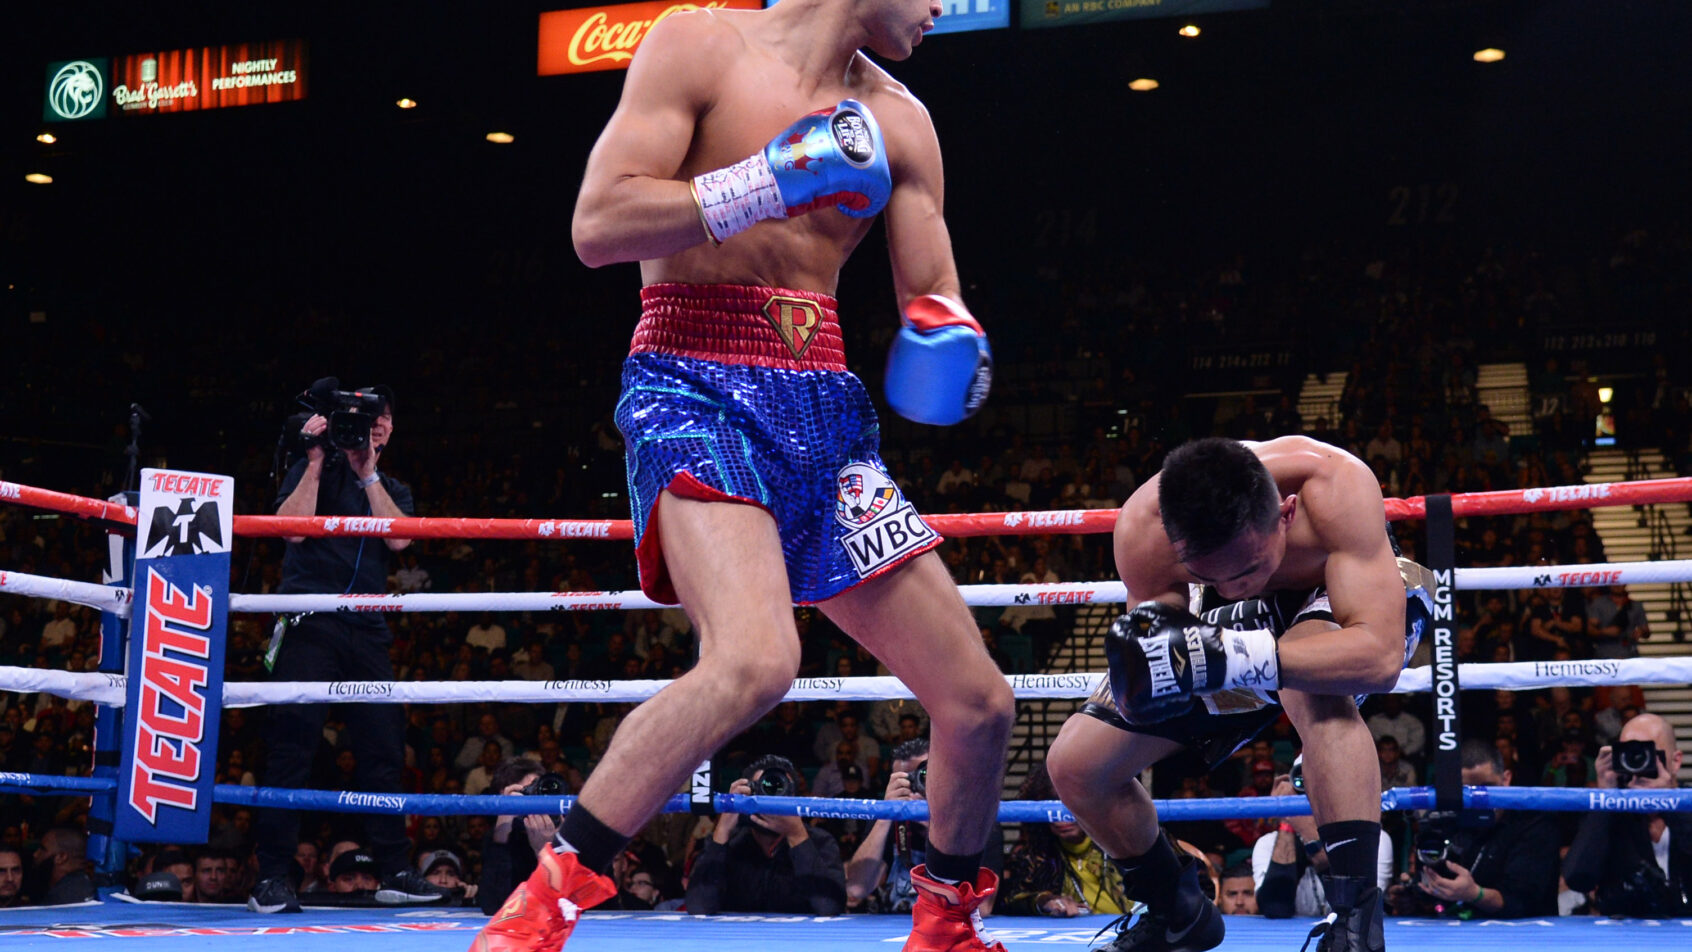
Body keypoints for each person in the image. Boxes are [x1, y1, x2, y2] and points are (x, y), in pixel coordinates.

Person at [474, 1, 1014, 950]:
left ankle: (946, 928)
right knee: (755, 661)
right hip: (692, 378)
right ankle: (538, 912)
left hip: (825, 409)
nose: (940, 7)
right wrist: (765, 181)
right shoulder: (699, 44)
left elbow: (931, 287)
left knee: (978, 703)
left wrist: (950, 330)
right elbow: (598, 225)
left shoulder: (903, 121)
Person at [1047, 437, 1432, 952]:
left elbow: (1380, 657)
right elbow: (1162, 645)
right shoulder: (1144, 529)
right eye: (1210, 575)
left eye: (1248, 568)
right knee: (1076, 763)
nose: (1234, 588)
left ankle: (1355, 921)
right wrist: (1144, 679)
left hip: (1345, 598)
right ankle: (1175, 911)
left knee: (1312, 691)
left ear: (1286, 515)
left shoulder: (1333, 485)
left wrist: (1234, 658)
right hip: (1222, 626)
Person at [250, 384, 444, 913]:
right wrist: (315, 461)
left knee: (383, 751)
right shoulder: (313, 470)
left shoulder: (391, 487)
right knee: (293, 748)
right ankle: (271, 877)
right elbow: (290, 531)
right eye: (365, 419)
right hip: (310, 620)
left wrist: (368, 474)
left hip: (367, 627)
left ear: (391, 429)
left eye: (383, 418)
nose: (375, 425)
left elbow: (400, 539)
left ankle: (397, 870)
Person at [846, 738, 1004, 916]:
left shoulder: (977, 823)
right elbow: (856, 888)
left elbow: (983, 907)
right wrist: (886, 815)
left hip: (949, 928)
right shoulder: (886, 819)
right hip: (892, 926)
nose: (917, 786)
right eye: (906, 779)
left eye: (924, 775)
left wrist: (936, 827)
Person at [684, 755, 847, 916]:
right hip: (737, 940)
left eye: (780, 790)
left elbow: (830, 908)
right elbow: (699, 907)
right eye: (762, 790)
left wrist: (797, 836)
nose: (770, 801)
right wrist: (723, 828)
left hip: (800, 940)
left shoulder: (820, 841)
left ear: (794, 798)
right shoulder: (729, 844)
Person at [1562, 713, 1691, 916]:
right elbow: (1578, 878)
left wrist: (1669, 803)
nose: (1638, 761)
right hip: (1627, 938)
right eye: (1629, 752)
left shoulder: (1688, 806)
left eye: (1647, 752)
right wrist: (1606, 797)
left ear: (1675, 761)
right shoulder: (1612, 812)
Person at [1253, 769, 1393, 920]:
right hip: (1291, 939)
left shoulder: (1374, 839)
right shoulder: (1267, 844)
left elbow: (1357, 907)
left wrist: (1310, 835)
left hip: (1353, 939)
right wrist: (1286, 818)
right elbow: (1275, 908)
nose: (1314, 795)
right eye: (1305, 786)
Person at [997, 764, 1131, 919]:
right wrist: (1044, 900)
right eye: (1052, 806)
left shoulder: (1126, 843)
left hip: (1132, 932)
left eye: (1069, 806)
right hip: (1075, 938)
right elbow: (1008, 899)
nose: (1061, 817)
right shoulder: (1035, 853)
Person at [478, 757, 559, 916]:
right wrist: (502, 834)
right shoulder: (497, 838)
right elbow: (492, 906)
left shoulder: (563, 831)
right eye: (527, 792)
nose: (535, 800)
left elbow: (574, 907)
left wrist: (547, 851)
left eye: (538, 790)